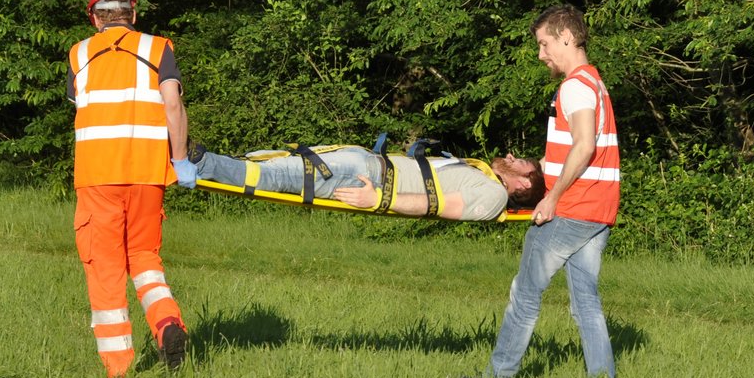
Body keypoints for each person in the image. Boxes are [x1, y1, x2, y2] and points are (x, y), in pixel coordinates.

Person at [472, 4, 620, 378]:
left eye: (544, 44)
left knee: (524, 294)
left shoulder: (573, 86)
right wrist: (525, 167)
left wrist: (551, 198)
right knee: (585, 301)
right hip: (599, 210)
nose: (541, 54)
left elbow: (585, 146)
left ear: (566, 37)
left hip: (574, 208)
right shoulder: (595, 84)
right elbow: (565, 154)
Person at [67, 0, 196, 378]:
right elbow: (172, 106)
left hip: (97, 178)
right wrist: (181, 161)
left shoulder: (78, 54)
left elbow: (80, 109)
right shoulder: (158, 48)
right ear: (133, 13)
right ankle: (167, 324)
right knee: (143, 259)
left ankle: (119, 374)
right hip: (147, 175)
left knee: (105, 267)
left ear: (94, 18)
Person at [191, 143, 544, 222]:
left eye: (520, 163)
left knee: (275, 177)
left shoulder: (494, 196)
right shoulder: (483, 174)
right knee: (272, 159)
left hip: (368, 180)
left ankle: (198, 162)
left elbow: (436, 206)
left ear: (524, 186)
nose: (511, 157)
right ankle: (199, 159)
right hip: (368, 164)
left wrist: (378, 200)